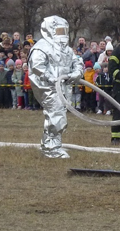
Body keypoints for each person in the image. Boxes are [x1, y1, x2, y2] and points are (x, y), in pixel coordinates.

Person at [27, 16, 84, 158]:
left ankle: (53, 144)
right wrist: (50, 77)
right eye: (59, 31)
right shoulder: (41, 46)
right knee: (56, 115)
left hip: (64, 87)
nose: (62, 34)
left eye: (64, 31)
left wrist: (76, 73)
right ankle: (50, 148)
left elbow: (76, 63)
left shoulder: (67, 49)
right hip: (48, 88)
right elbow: (37, 66)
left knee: (59, 115)